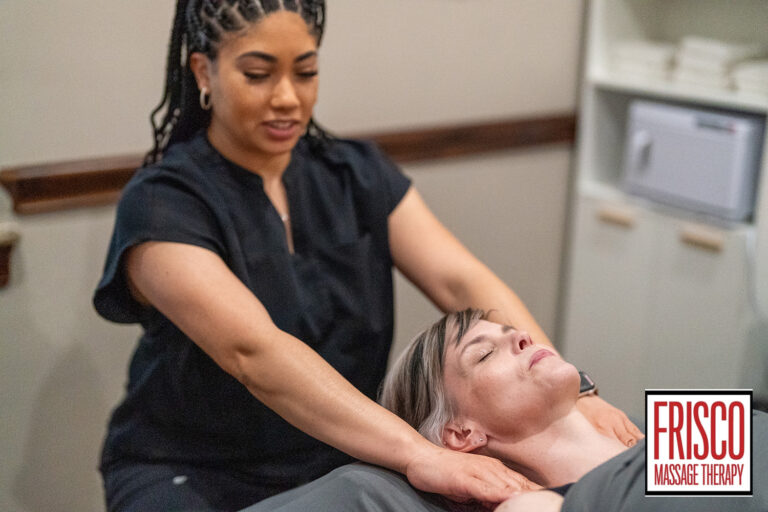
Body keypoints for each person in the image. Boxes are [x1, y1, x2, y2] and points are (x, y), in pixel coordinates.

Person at [93, 1, 641, 510]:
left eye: (305, 72)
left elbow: (460, 282)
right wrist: (420, 455)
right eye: (258, 74)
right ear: (203, 72)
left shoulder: (353, 173)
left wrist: (578, 394)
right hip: (200, 471)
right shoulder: (163, 204)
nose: (287, 96)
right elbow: (253, 352)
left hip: (352, 453)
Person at [378, 309, 768, 512]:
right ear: (462, 433)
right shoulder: (531, 508)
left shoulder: (685, 429)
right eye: (484, 353)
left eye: (509, 330)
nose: (521, 335)